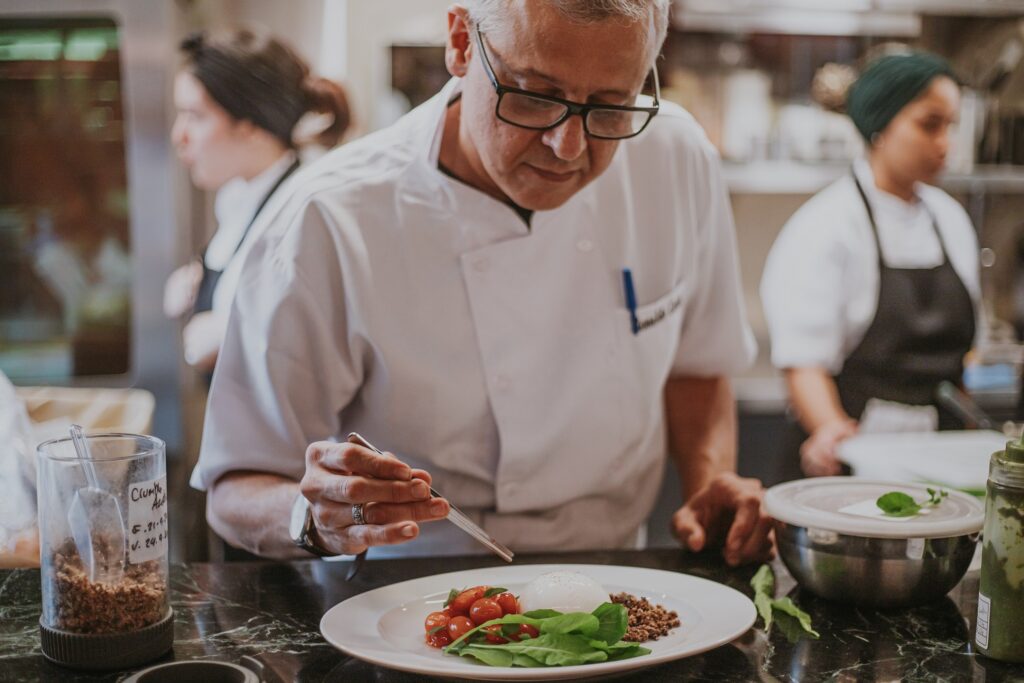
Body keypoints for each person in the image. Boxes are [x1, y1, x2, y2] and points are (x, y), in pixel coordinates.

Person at [192, 0, 772, 565]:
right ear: (461, 43)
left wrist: (711, 482)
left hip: (614, 576)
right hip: (399, 588)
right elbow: (236, 484)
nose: (568, 147)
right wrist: (313, 516)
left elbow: (698, 365)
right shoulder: (331, 217)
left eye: (609, 106)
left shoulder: (673, 156)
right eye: (535, 95)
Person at [761, 50, 980, 478]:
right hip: (852, 453)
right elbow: (804, 364)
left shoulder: (950, 218)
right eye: (928, 125)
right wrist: (832, 438)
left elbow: (963, 357)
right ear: (881, 124)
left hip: (942, 455)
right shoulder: (827, 225)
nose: (944, 144)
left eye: (949, 127)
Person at [163, 29, 351, 373]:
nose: (179, 136)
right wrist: (198, 274)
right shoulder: (240, 195)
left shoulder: (307, 213)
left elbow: (330, 346)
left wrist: (237, 338)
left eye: (196, 116)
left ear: (248, 124)